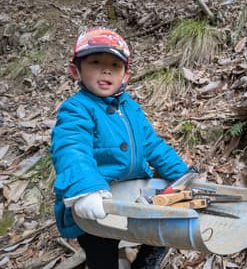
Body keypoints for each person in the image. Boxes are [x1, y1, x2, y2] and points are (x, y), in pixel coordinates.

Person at [50, 26, 191, 269]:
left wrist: (183, 175)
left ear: (125, 75)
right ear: (76, 70)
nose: (106, 69)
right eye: (95, 62)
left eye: (114, 65)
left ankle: (145, 263)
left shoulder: (131, 108)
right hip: (95, 199)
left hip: (132, 194)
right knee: (101, 250)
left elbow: (153, 145)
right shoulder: (76, 109)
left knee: (165, 225)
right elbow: (72, 148)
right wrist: (86, 189)